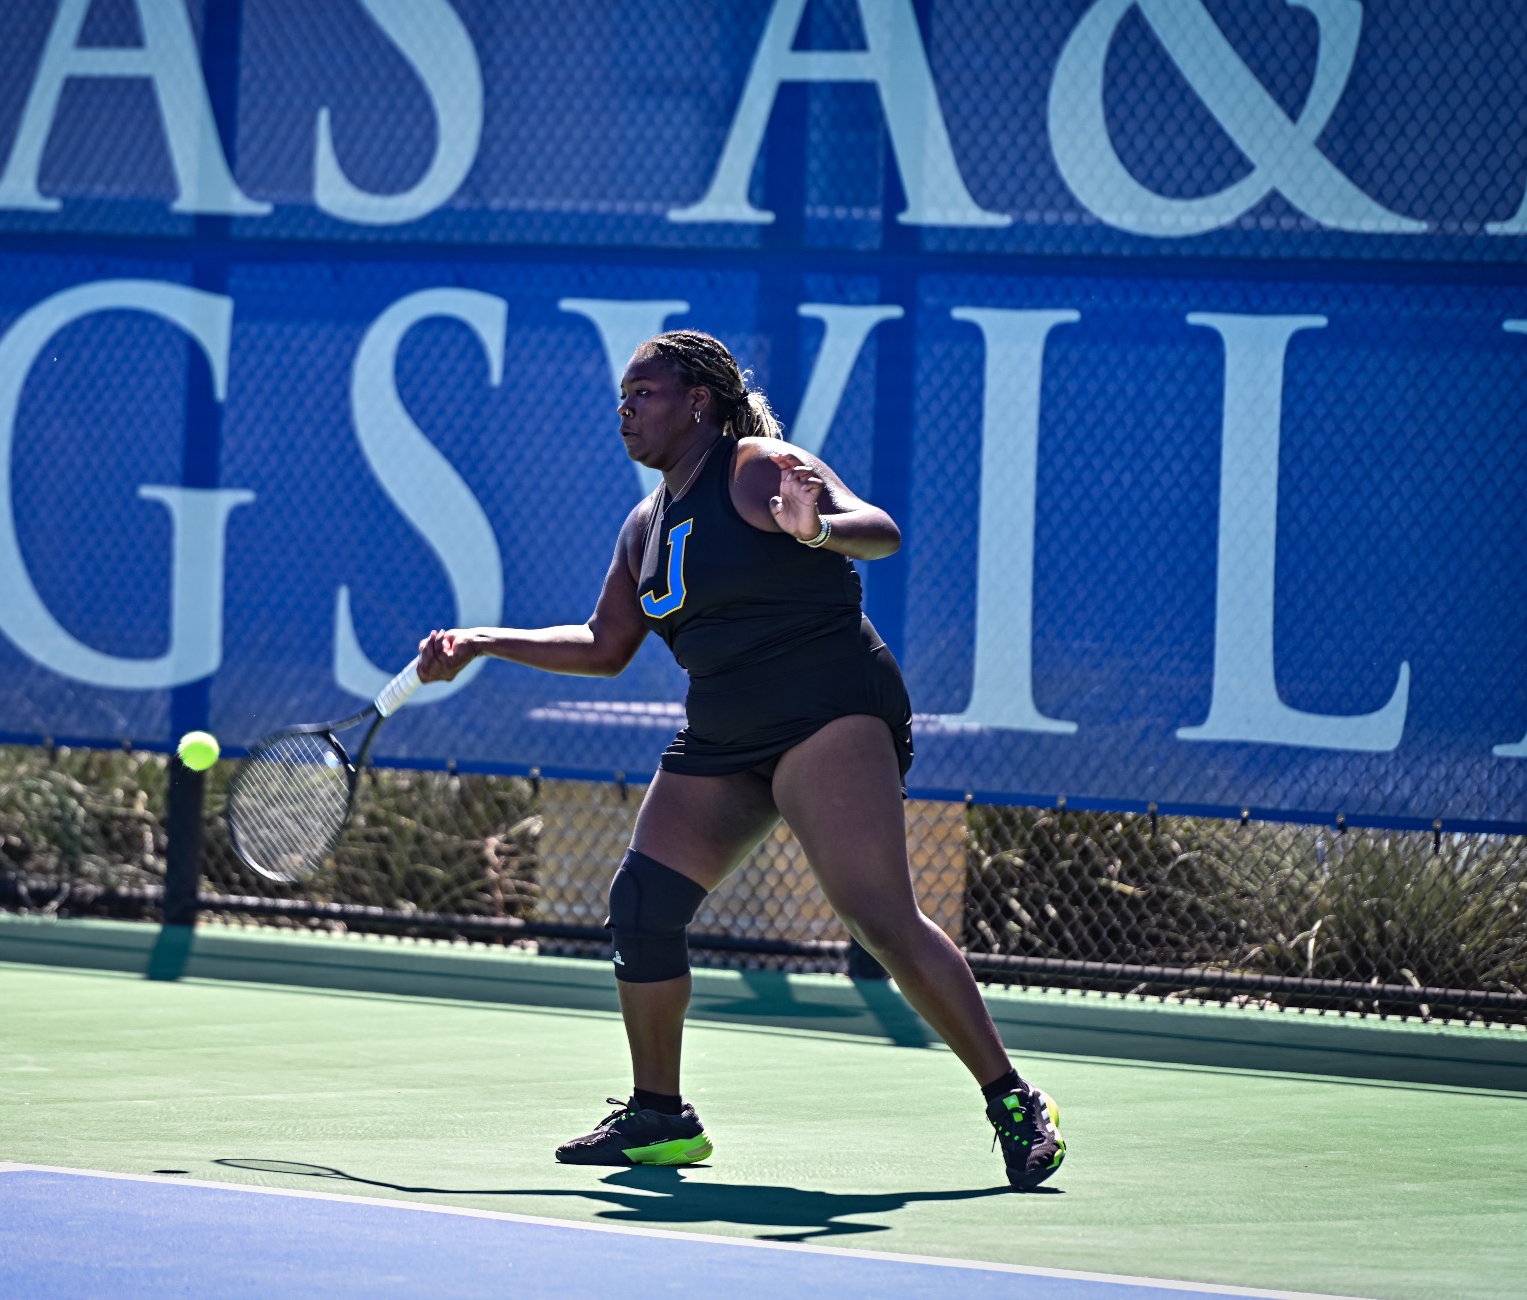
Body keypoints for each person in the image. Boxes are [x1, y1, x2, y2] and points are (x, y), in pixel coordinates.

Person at [415, 330, 1064, 1190]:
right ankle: (660, 1116)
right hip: (724, 732)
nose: (627, 408)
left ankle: (1013, 1098)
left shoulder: (758, 467)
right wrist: (486, 641)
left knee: (877, 913)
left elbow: (881, 531)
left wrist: (818, 526)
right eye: (622, 395)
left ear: (698, 401)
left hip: (824, 708)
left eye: (644, 392)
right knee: (642, 904)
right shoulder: (644, 525)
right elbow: (607, 644)